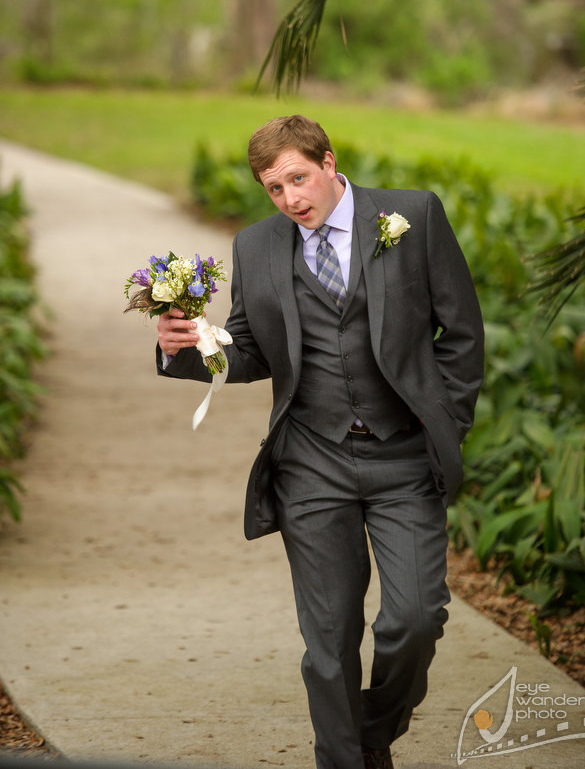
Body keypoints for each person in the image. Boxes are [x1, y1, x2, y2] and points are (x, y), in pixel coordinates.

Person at [156, 115, 484, 769]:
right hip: (311, 462)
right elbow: (251, 351)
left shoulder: (412, 217)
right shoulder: (256, 246)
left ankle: (370, 733)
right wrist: (187, 350)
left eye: (298, 179)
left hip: (402, 457)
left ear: (329, 162)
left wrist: (444, 421)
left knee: (415, 619)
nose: (290, 199)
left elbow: (462, 334)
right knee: (329, 642)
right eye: (274, 189)